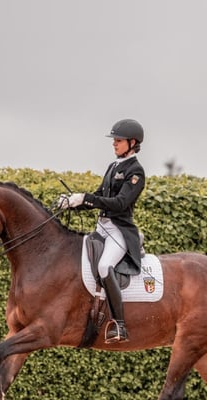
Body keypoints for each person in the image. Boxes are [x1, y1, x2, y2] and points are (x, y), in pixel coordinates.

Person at [60, 118, 146, 343]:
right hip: (102, 228)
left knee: (105, 266)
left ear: (132, 142)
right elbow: (100, 197)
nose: (114, 144)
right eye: (114, 140)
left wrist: (87, 198)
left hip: (119, 231)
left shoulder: (136, 172)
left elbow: (119, 203)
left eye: (118, 141)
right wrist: (74, 203)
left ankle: (120, 325)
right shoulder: (113, 167)